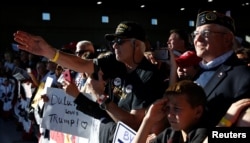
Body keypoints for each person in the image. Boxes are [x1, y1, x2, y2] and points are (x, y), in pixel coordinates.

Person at [13, 21, 168, 143]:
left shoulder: (148, 76)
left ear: (137, 44)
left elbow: (133, 123)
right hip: (105, 135)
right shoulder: (114, 61)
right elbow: (81, 65)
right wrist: (49, 52)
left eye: (120, 41)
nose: (114, 45)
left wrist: (101, 97)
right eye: (113, 41)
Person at [191, 10, 250, 127]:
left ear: (227, 39)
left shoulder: (243, 77)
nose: (197, 39)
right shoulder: (197, 72)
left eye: (206, 33)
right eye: (196, 34)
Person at [132, 80, 208, 143]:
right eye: (168, 108)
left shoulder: (202, 135)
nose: (170, 115)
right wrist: (148, 120)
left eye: (177, 109)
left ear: (198, 112)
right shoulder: (171, 133)